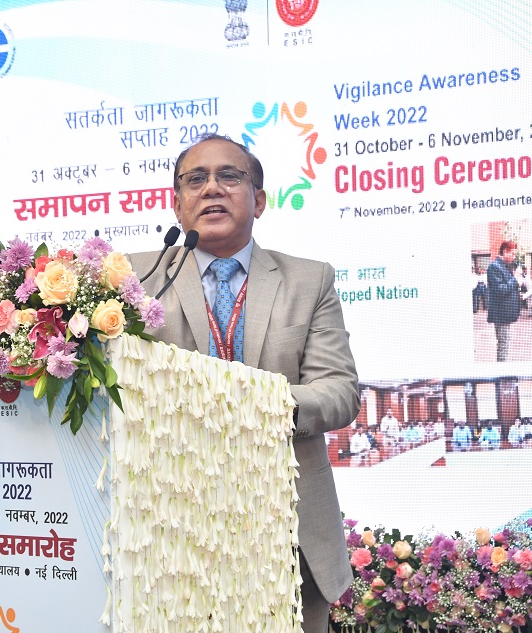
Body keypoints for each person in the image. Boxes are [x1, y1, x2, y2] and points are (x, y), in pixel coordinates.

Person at [130, 134, 360, 632]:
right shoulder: (134, 279)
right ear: (177, 204)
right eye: (196, 179)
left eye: (229, 176)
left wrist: (242, 405)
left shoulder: (309, 280)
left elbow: (339, 392)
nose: (212, 188)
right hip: (169, 531)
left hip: (285, 525)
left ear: (258, 200)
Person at [487, 242, 521, 362]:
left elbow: (507, 287)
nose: (514, 257)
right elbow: (501, 290)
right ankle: (501, 370)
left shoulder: (504, 266)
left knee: (504, 343)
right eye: (512, 254)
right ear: (505, 251)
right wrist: (515, 278)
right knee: (503, 344)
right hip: (501, 313)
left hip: (505, 312)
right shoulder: (494, 267)